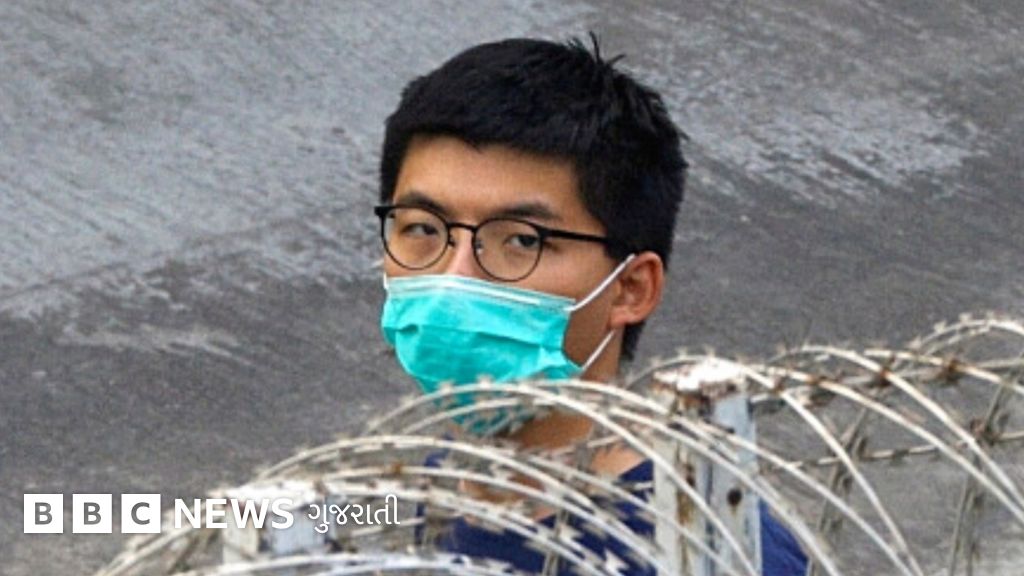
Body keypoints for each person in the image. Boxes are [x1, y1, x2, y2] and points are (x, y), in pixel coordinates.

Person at [374, 35, 807, 575]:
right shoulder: (453, 474)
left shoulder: (709, 550)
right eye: (423, 229)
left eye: (522, 240)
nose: (452, 276)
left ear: (631, 288)